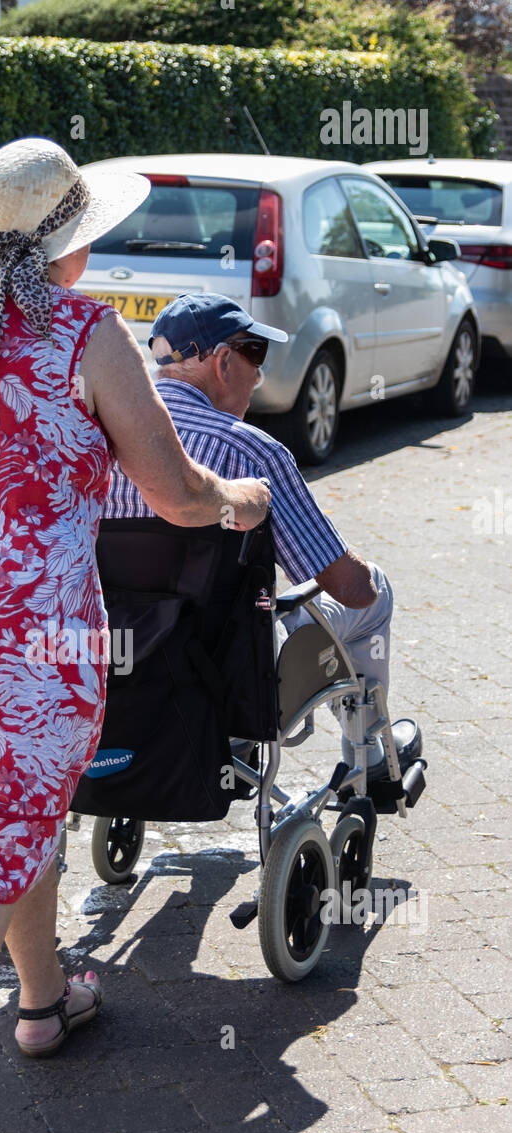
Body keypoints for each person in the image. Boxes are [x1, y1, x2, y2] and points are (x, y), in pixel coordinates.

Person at [0, 142, 269, 1133]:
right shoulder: (86, 331)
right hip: (28, 625)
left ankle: (42, 1001)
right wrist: (235, 497)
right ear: (70, 246)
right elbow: (172, 492)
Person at [104, 293, 421, 779]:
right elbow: (350, 590)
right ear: (223, 361)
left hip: (118, 659)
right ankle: (369, 758)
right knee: (374, 592)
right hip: (231, 677)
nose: (259, 373)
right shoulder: (253, 452)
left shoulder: (97, 440)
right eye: (254, 353)